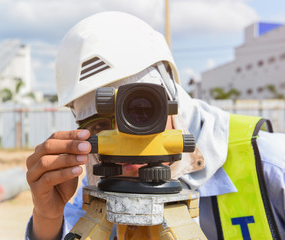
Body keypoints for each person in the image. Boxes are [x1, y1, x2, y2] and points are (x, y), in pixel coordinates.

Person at [25, 11, 285, 240]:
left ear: (172, 97)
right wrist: (47, 218)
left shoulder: (272, 166)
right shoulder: (99, 186)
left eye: (141, 113)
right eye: (99, 127)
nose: (128, 146)